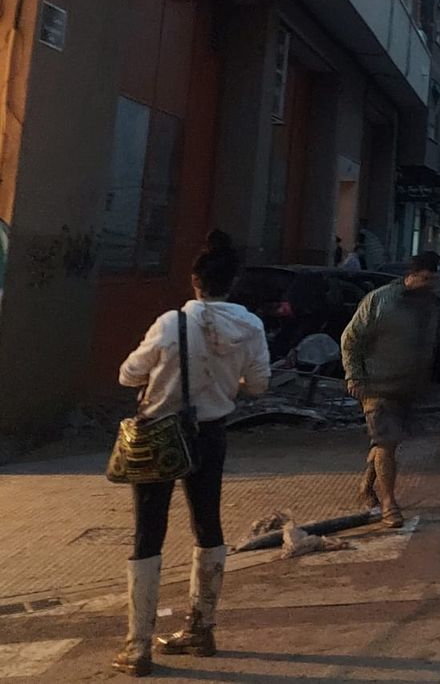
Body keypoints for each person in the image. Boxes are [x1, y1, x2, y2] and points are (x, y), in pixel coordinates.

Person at [112, 231, 270, 676]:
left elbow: (128, 374)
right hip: (211, 433)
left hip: (159, 436)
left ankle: (137, 646)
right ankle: (201, 628)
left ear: (194, 280)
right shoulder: (250, 326)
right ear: (232, 281)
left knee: (148, 532)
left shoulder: (168, 323)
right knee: (208, 524)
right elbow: (258, 385)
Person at [342, 251, 440, 528]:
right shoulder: (380, 301)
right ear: (411, 275)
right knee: (386, 441)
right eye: (425, 278)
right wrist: (354, 377)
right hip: (377, 385)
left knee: (387, 441)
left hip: (409, 386)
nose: (429, 284)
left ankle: (367, 485)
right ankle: (389, 504)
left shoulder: (430, 305)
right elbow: (350, 339)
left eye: (434, 280)